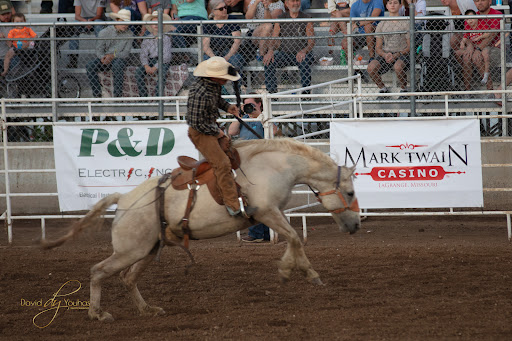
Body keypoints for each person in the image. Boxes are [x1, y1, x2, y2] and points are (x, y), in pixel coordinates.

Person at [186, 57, 257, 218]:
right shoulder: (199, 92)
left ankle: (231, 191)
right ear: (214, 76)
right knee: (223, 164)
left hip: (209, 127)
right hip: (201, 132)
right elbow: (195, 122)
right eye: (224, 77)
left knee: (231, 154)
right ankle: (233, 206)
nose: (226, 79)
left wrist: (228, 107)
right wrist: (217, 132)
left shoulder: (212, 85)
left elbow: (216, 100)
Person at [228, 95, 278, 241]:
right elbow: (231, 132)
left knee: (262, 198)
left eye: (251, 104)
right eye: (246, 105)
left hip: (262, 163)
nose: (248, 107)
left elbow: (275, 132)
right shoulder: (243, 119)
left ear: (259, 104)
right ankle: (258, 233)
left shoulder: (266, 117)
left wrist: (260, 116)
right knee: (251, 198)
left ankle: (264, 233)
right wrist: (239, 115)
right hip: (246, 163)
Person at [263, 0, 315, 95]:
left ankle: (306, 94)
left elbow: (311, 42)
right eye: (292, 1)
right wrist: (270, 51)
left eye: (297, 1)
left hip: (303, 53)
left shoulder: (306, 19)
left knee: (305, 61)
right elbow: (273, 39)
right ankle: (272, 93)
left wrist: (304, 51)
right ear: (286, 4)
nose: (295, 3)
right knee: (268, 61)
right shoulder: (281, 19)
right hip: (285, 53)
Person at [86, 9, 134, 98]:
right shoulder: (104, 32)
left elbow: (126, 53)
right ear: (116, 20)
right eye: (123, 21)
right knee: (90, 65)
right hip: (105, 58)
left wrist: (112, 56)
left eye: (127, 22)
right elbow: (99, 50)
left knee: (118, 64)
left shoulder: (129, 34)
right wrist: (102, 57)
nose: (125, 25)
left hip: (119, 58)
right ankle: (97, 94)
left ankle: (117, 96)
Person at [367, 0, 409, 98]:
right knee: (371, 67)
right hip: (387, 54)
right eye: (390, 3)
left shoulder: (406, 22)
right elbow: (378, 47)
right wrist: (385, 55)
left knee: (398, 66)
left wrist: (397, 55)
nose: (392, 5)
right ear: (386, 6)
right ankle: (383, 89)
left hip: (402, 53)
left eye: (395, 3)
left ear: (400, 5)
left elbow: (409, 46)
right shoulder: (381, 24)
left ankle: (404, 89)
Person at [203, 0, 245, 93]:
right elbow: (205, 46)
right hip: (214, 52)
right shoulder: (208, 23)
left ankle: (237, 91)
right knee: (206, 60)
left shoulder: (232, 20)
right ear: (214, 11)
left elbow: (237, 41)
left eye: (225, 7)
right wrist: (214, 57)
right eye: (221, 9)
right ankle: (213, 92)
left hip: (229, 51)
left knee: (236, 60)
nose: (224, 10)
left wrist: (227, 57)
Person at [460, 0, 501, 91]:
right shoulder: (472, 16)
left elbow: (491, 36)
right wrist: (469, 45)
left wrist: (478, 49)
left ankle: (490, 89)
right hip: (476, 46)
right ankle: (467, 91)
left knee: (477, 57)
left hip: (494, 48)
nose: (479, 3)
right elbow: (467, 35)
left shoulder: (496, 14)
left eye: (483, 0)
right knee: (466, 56)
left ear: (490, 1)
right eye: (477, 1)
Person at [136, 12, 172, 97]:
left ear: (163, 25)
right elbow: (143, 54)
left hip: (162, 61)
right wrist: (146, 66)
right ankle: (143, 96)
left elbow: (166, 56)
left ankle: (158, 96)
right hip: (150, 60)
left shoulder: (166, 38)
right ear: (151, 26)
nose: (156, 25)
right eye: (154, 23)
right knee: (138, 72)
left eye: (158, 22)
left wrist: (155, 67)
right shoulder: (147, 39)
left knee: (162, 73)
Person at [68, 0, 107, 68]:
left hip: (96, 19)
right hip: (83, 19)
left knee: (98, 24)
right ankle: (73, 58)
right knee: (74, 24)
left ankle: (102, 56)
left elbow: (99, 15)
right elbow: (77, 16)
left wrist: (90, 21)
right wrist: (85, 21)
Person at [458, 9, 492, 85]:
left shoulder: (481, 23)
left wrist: (479, 37)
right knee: (462, 54)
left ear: (476, 17)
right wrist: (462, 43)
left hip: (482, 45)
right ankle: (464, 77)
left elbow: (488, 33)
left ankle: (486, 74)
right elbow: (465, 37)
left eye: (472, 18)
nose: (470, 21)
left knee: (485, 55)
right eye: (467, 19)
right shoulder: (468, 27)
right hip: (473, 46)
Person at [440, 0, 477, 65]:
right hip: (461, 43)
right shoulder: (446, 13)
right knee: (453, 39)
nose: (443, 0)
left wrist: (469, 42)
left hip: (475, 36)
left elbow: (478, 21)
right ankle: (462, 66)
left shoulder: (466, 2)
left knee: (455, 38)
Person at [2, 13, 37, 77]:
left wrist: (30, 40)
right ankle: (5, 70)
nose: (19, 23)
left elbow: (35, 36)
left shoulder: (28, 29)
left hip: (27, 46)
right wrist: (5, 38)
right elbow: (9, 39)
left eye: (21, 21)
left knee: (32, 42)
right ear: (13, 22)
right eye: (17, 22)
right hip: (16, 47)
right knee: (7, 56)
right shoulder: (12, 31)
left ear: (25, 21)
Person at [0, 0, 14, 76]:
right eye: (3, 14)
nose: (6, 16)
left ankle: (15, 85)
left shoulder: (16, 24)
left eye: (8, 13)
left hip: (11, 58)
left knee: (16, 61)